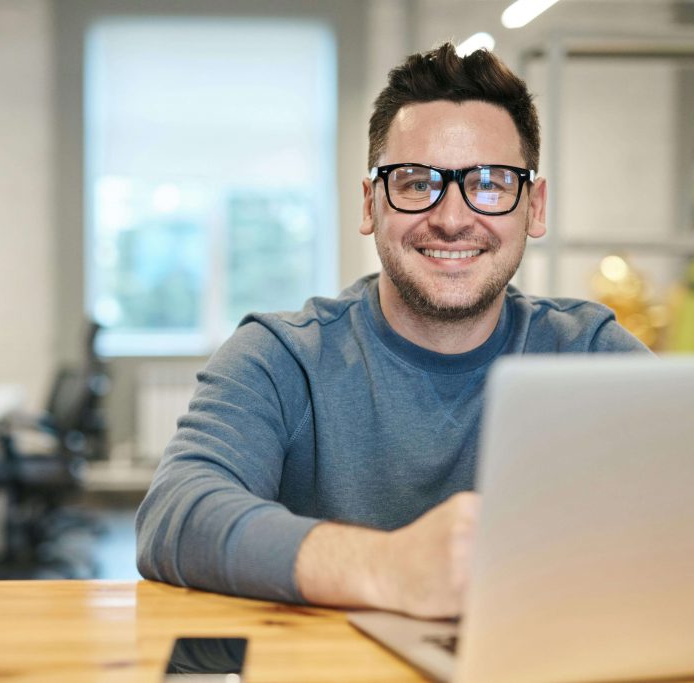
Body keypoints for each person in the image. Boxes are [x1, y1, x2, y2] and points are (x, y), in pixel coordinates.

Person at [135, 42, 650, 619]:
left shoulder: (590, 355)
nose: (453, 219)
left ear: (533, 205)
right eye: (414, 182)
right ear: (369, 203)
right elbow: (177, 516)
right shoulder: (281, 357)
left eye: (490, 183)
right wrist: (388, 567)